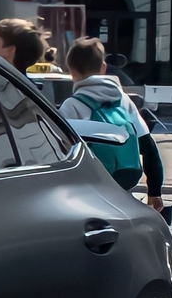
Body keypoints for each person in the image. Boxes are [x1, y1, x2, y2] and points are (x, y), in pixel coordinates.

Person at [58, 37, 165, 211]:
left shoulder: (71, 106)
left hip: (87, 193)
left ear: (71, 70)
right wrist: (155, 192)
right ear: (103, 68)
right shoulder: (123, 100)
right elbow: (149, 146)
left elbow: (60, 152)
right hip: (122, 186)